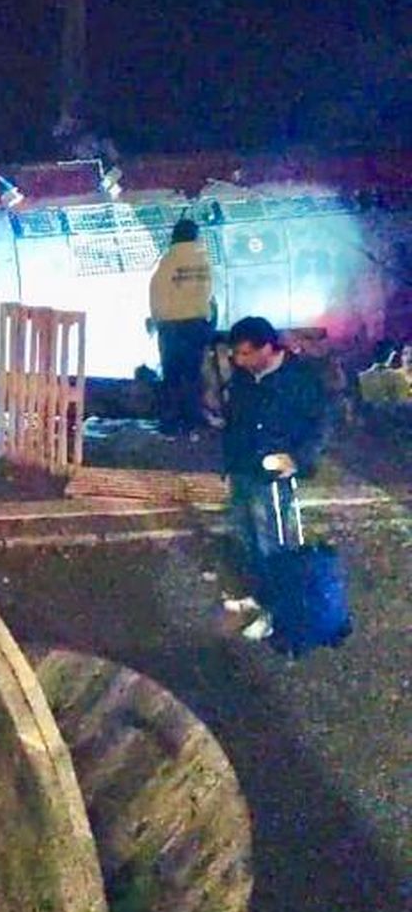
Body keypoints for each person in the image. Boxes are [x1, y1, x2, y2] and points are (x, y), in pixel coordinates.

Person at [220, 314, 328, 636]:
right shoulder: (243, 378)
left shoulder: (299, 378)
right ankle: (261, 596)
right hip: (243, 469)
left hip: (275, 476)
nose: (238, 361)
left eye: (244, 353)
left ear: (266, 348)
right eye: (235, 354)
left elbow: (321, 424)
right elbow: (235, 421)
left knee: (277, 544)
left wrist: (298, 458)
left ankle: (283, 615)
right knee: (247, 536)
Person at [148, 216, 216, 434]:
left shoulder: (168, 261)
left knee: (173, 376)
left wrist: (158, 321)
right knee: (194, 374)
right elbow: (208, 294)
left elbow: (157, 293)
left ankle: (171, 422)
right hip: (198, 324)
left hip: (172, 328)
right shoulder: (203, 261)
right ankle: (193, 419)